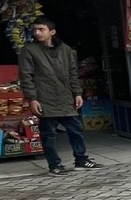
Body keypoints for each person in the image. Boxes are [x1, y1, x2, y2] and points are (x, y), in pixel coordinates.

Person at [19, 16, 100, 176]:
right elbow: (26, 76)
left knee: (76, 130)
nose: (37, 32)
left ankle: (81, 160)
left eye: (41, 29)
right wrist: (32, 98)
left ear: (52, 32)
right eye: (35, 30)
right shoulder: (29, 51)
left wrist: (77, 93)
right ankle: (54, 164)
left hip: (65, 96)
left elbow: (73, 73)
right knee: (49, 134)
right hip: (44, 97)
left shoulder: (66, 50)